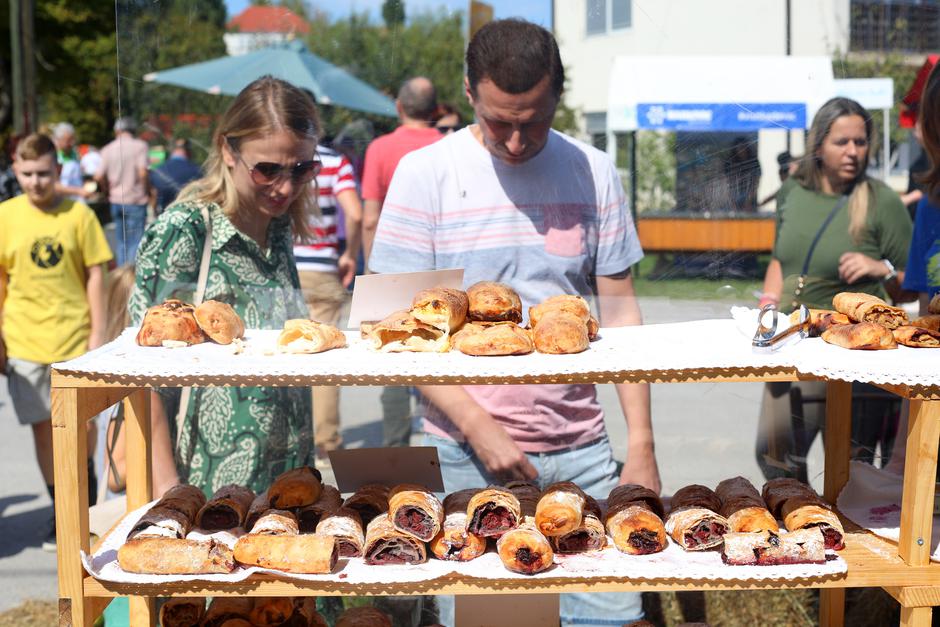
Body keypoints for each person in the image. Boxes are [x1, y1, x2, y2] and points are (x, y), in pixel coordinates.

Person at [369, 19, 659, 627]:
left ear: (558, 95)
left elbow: (621, 311)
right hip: (463, 457)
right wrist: (478, 427)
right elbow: (394, 332)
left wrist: (641, 447)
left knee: (609, 618)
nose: (518, 141)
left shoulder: (592, 171)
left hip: (583, 452)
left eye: (534, 121)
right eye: (501, 121)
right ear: (469, 93)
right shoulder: (426, 176)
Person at [128, 76, 319, 497]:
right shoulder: (187, 230)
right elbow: (141, 375)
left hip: (286, 477)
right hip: (205, 486)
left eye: (302, 168)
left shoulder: (280, 226)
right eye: (267, 169)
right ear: (227, 151)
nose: (286, 187)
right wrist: (169, 495)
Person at [756, 96, 913, 481]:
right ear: (819, 145)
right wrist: (766, 307)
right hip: (791, 343)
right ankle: (803, 530)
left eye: (860, 142)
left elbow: (914, 285)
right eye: (841, 142)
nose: (853, 152)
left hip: (854, 354)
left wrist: (883, 266)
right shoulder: (793, 191)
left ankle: (843, 538)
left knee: (848, 469)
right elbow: (781, 259)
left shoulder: (881, 201)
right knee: (775, 458)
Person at [0, 133, 111, 550]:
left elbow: (97, 273)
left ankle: (84, 497)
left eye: (44, 173)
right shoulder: (5, 216)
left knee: (83, 425)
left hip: (74, 337)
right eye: (27, 174)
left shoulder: (78, 216)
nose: (36, 182)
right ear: (15, 170)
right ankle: (61, 511)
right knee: (44, 431)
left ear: (59, 170)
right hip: (25, 340)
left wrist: (97, 332)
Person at [361, 76, 443, 449]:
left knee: (392, 358)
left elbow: (369, 218)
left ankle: (396, 452)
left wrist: (369, 271)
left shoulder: (380, 148)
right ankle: (435, 443)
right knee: (436, 359)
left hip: (390, 271)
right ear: (437, 109)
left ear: (398, 107)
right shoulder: (446, 147)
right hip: (440, 274)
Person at [294, 140, 363, 468]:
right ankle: (325, 443)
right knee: (323, 363)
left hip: (286, 268)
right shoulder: (336, 162)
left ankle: (292, 439)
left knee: (285, 353)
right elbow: (355, 212)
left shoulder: (286, 160)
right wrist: (349, 253)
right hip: (322, 267)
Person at [95, 116, 150, 266]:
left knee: (121, 243)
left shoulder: (107, 149)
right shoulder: (140, 146)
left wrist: (106, 189)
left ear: (117, 131)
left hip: (116, 200)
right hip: (135, 200)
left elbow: (98, 175)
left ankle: (121, 279)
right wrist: (147, 191)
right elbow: (143, 173)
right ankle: (130, 278)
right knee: (135, 242)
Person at [149, 137, 201, 214]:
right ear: (188, 151)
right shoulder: (198, 170)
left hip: (165, 214)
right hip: (191, 215)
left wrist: (153, 210)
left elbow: (154, 194)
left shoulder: (158, 170)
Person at [52, 122, 88, 201]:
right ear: (58, 140)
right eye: (68, 140)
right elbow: (54, 186)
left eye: (73, 139)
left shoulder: (74, 154)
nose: (72, 143)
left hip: (78, 201)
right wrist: (78, 191)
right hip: (63, 203)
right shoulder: (53, 158)